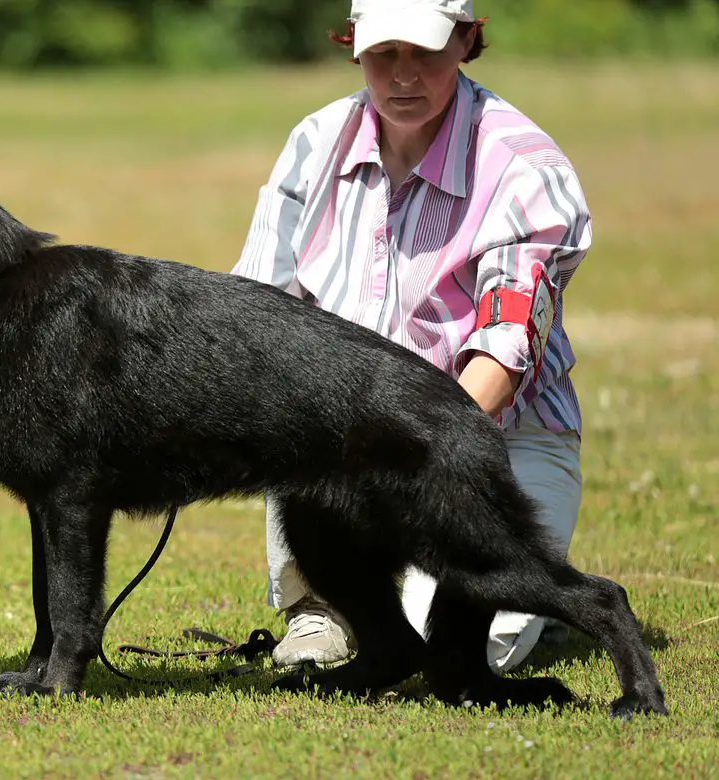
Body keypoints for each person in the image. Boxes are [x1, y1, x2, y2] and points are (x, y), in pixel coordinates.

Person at [230, 0, 590, 674]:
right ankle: (316, 605)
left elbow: (506, 344)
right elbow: (255, 314)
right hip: (342, 447)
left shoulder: (523, 165)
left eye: (424, 52)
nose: (402, 74)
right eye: (382, 53)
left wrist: (405, 461)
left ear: (465, 41)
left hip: (493, 439)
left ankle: (539, 598)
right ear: (354, 46)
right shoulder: (314, 142)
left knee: (458, 647)